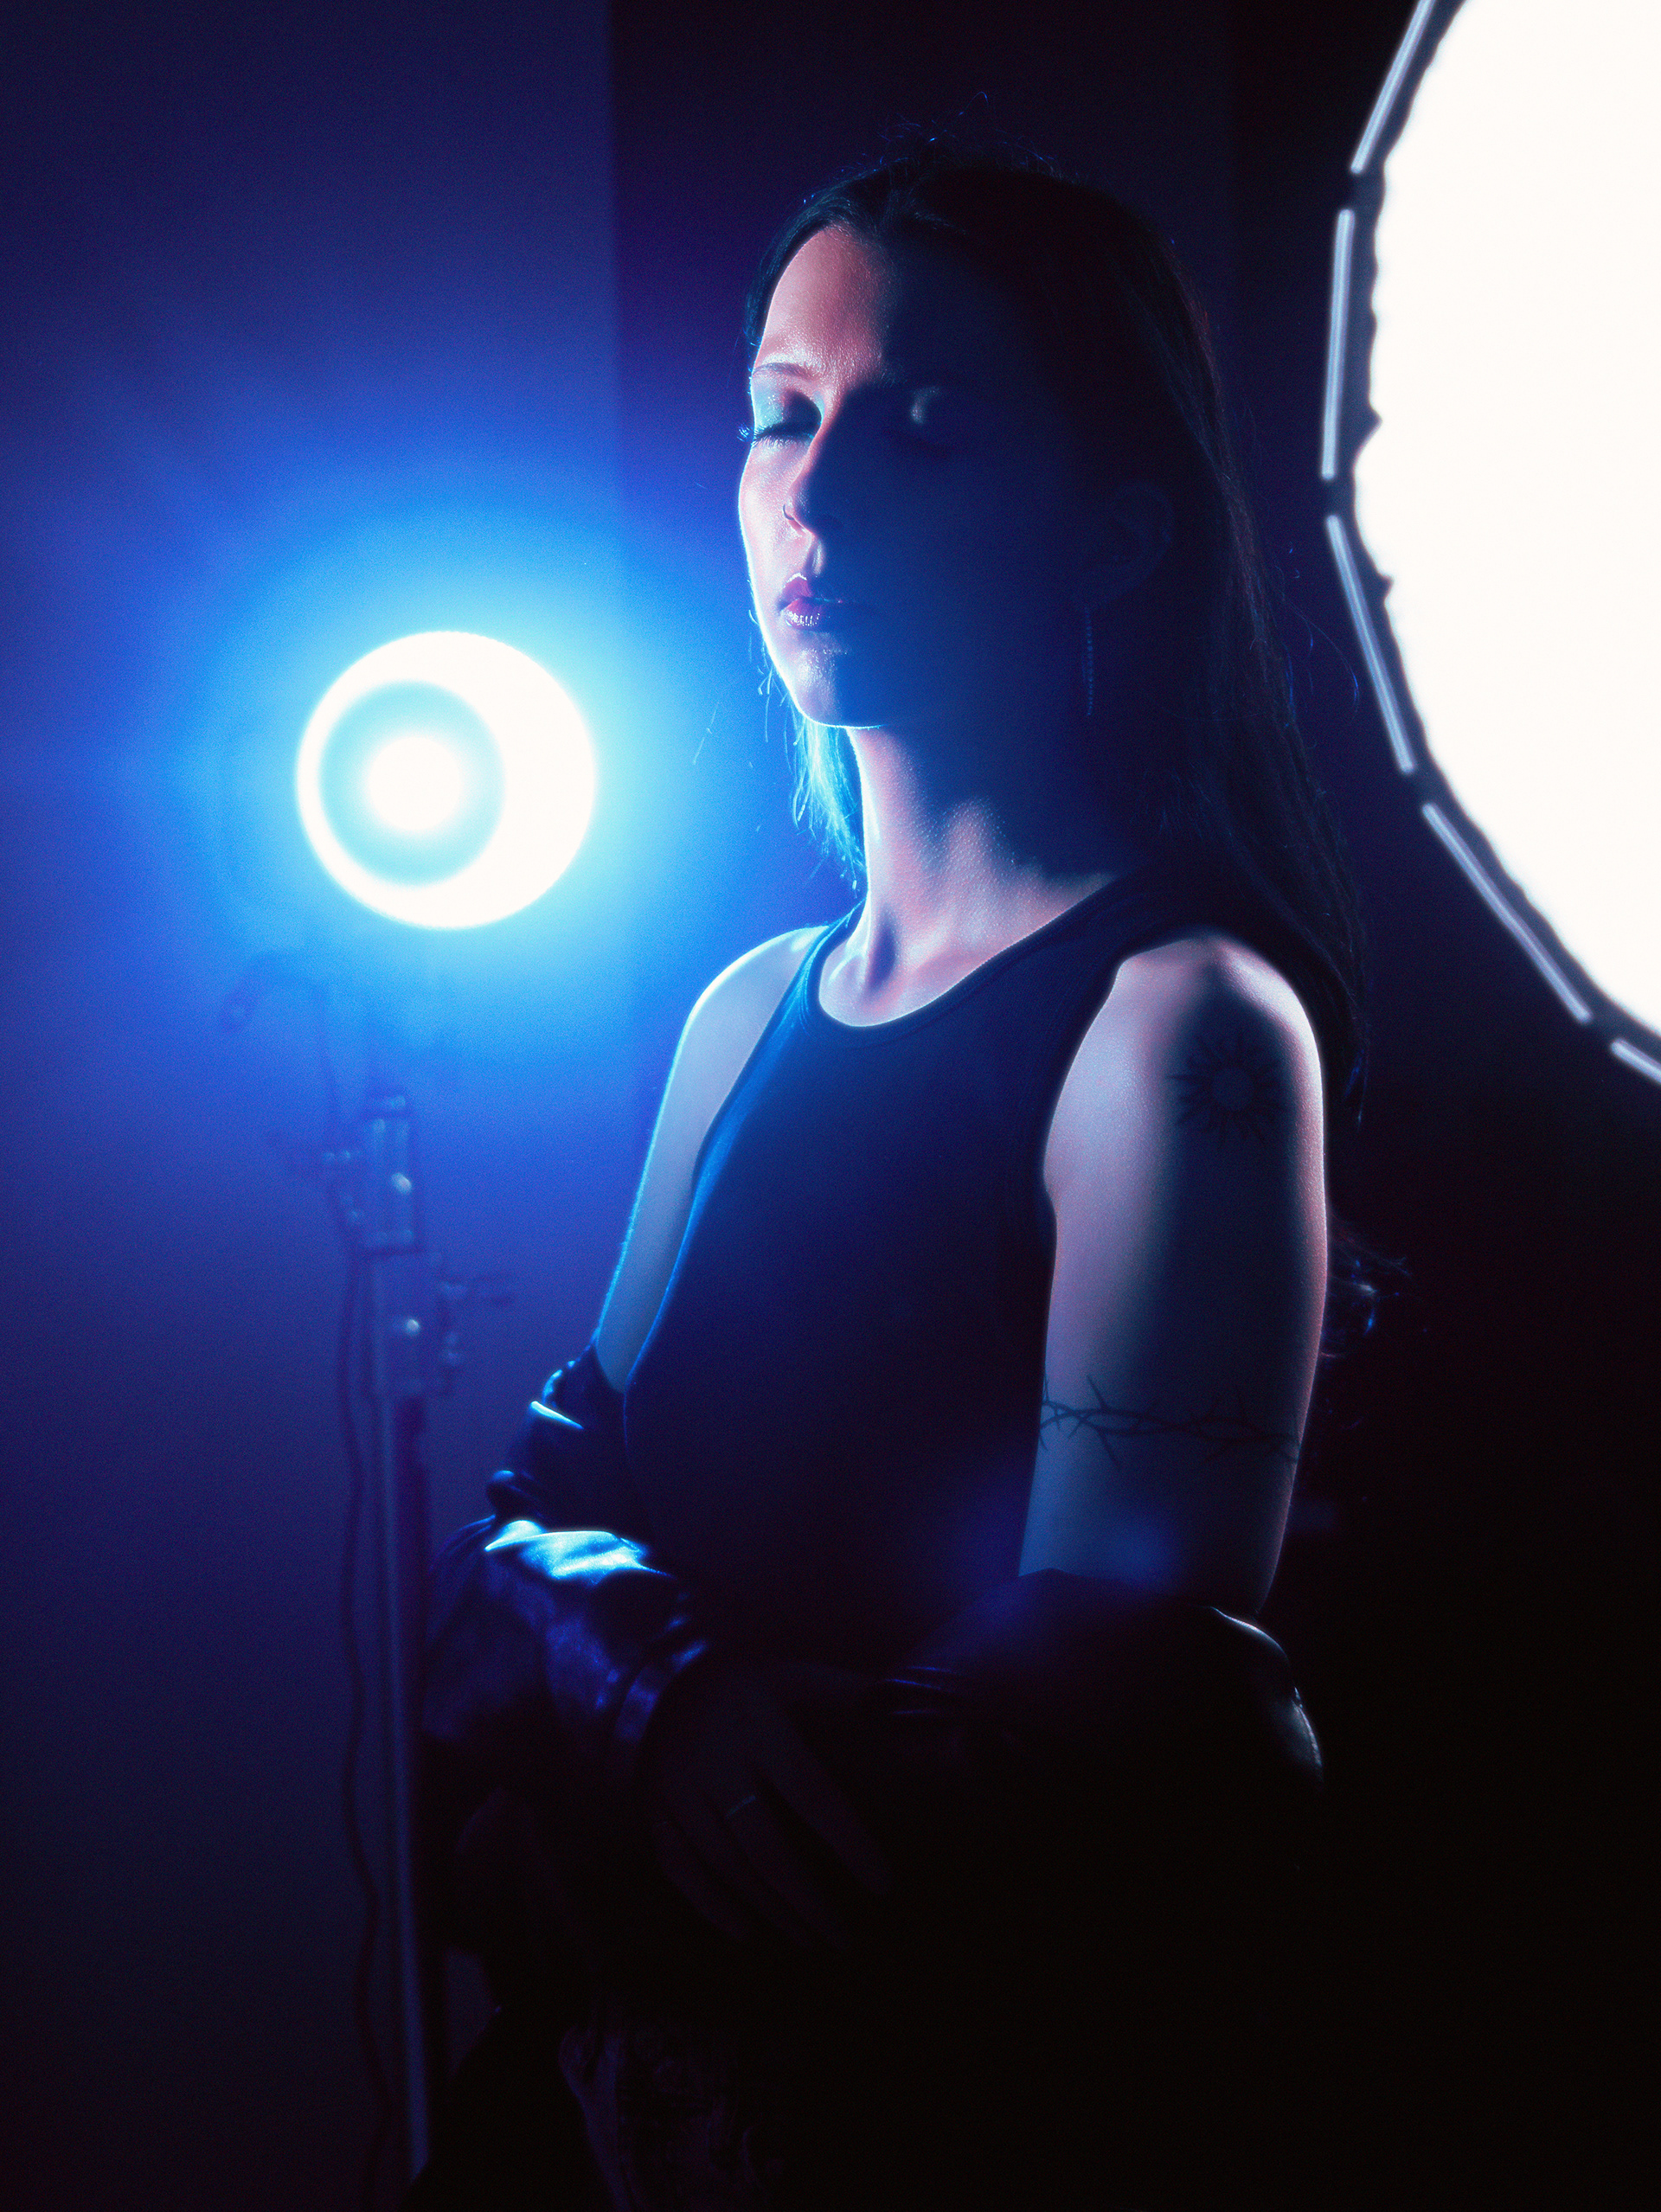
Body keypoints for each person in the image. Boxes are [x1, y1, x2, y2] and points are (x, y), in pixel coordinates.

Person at [411, 141, 1360, 2212]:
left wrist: (596, 1755)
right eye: (782, 414)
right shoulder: (744, 1011)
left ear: (1115, 529)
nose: (816, 498)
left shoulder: (1186, 1033)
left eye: (923, 427)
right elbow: (517, 1536)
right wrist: (660, 1698)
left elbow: (1086, 1774)